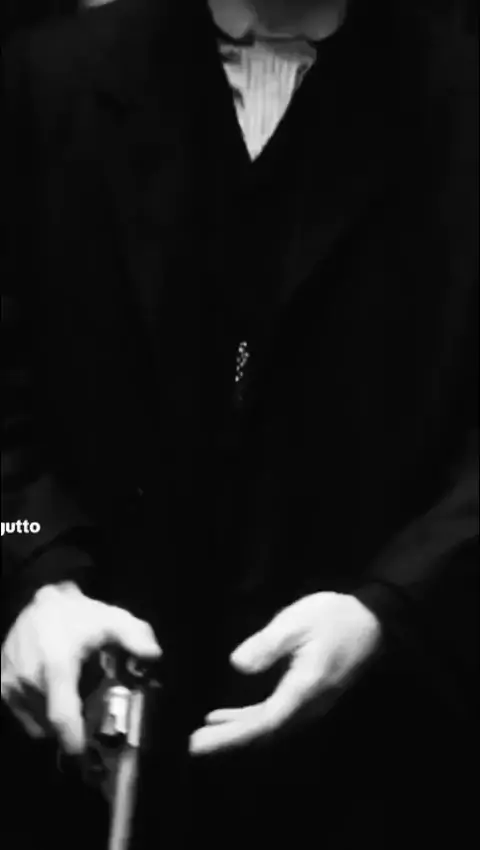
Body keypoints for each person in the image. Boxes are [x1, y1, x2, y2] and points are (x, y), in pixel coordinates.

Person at [1, 0, 478, 847]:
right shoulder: (42, 81)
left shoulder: (461, 90)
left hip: (387, 771)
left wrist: (399, 607)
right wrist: (35, 569)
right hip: (78, 766)